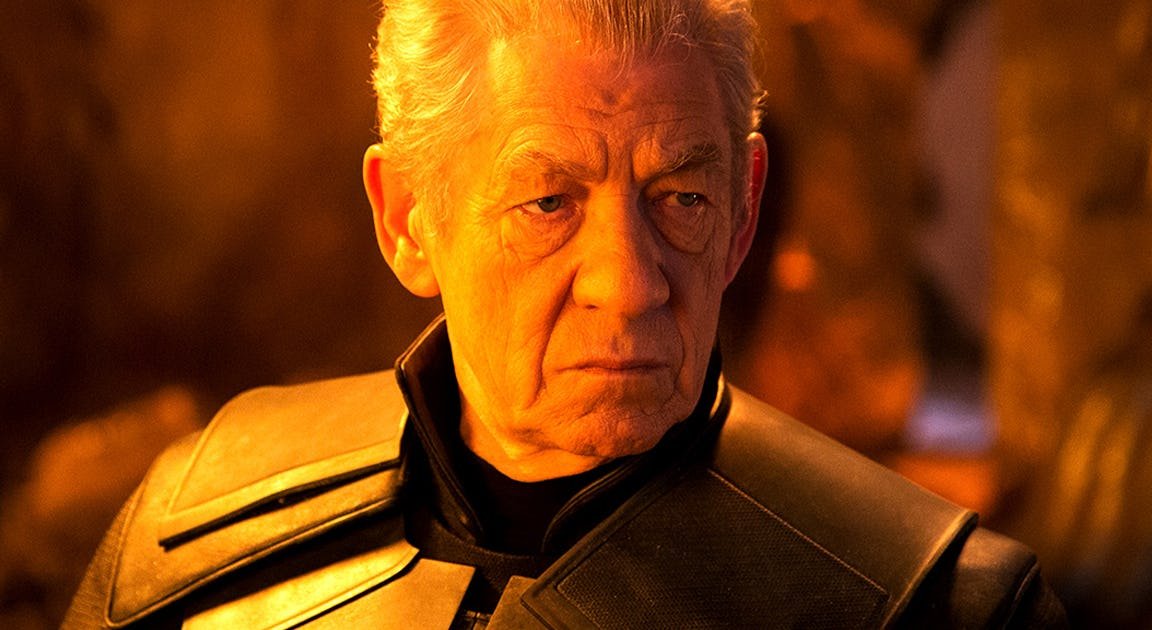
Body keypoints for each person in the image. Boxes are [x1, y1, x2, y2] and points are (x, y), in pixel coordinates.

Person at [65, 1, 1066, 627]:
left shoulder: (942, 608)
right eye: (549, 203)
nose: (628, 283)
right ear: (408, 218)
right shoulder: (185, 529)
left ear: (745, 210)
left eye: (682, 197)